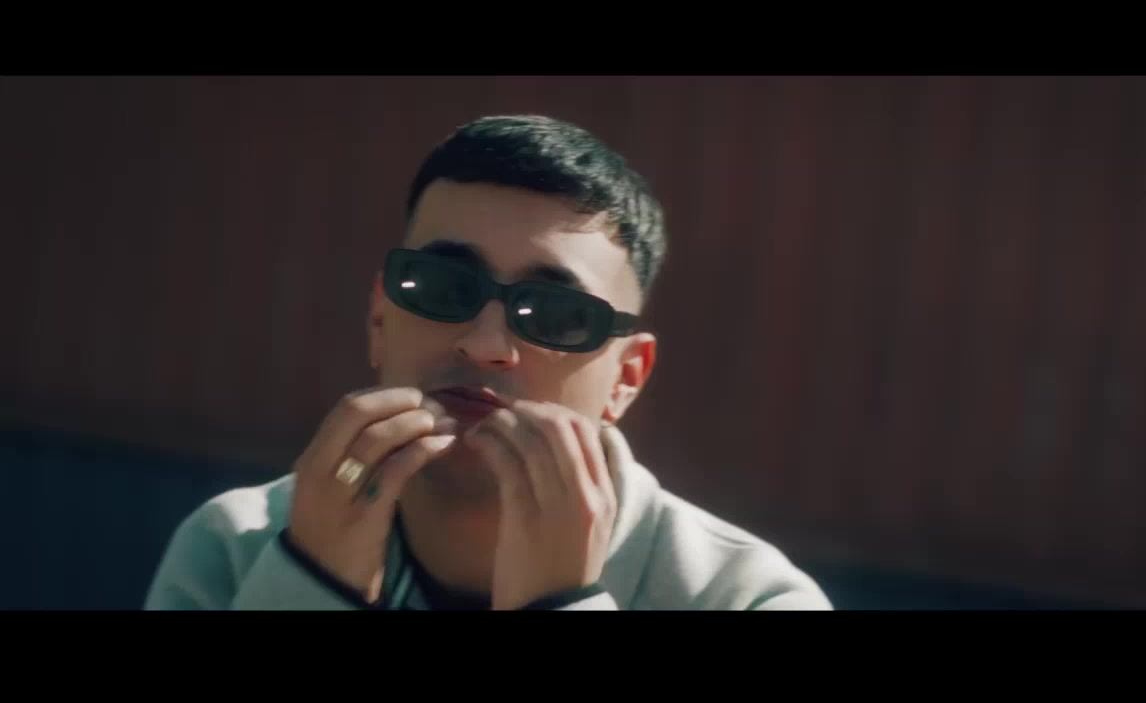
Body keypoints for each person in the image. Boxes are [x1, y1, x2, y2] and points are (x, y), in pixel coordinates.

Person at [144, 114, 833, 611]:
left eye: (557, 314)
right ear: (380, 319)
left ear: (626, 378)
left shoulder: (746, 599)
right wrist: (310, 585)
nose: (484, 345)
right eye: (445, 288)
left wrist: (562, 604)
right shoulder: (235, 551)